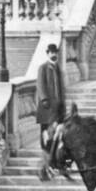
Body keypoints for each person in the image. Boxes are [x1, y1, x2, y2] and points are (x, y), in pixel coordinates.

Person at [36, 43, 67, 181]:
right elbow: (40, 85)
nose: (54, 54)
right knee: (46, 139)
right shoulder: (43, 68)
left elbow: (61, 90)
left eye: (56, 52)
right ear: (47, 53)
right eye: (52, 52)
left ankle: (53, 166)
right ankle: (44, 169)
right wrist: (44, 100)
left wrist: (63, 107)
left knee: (56, 139)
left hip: (58, 111)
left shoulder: (58, 68)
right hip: (47, 111)